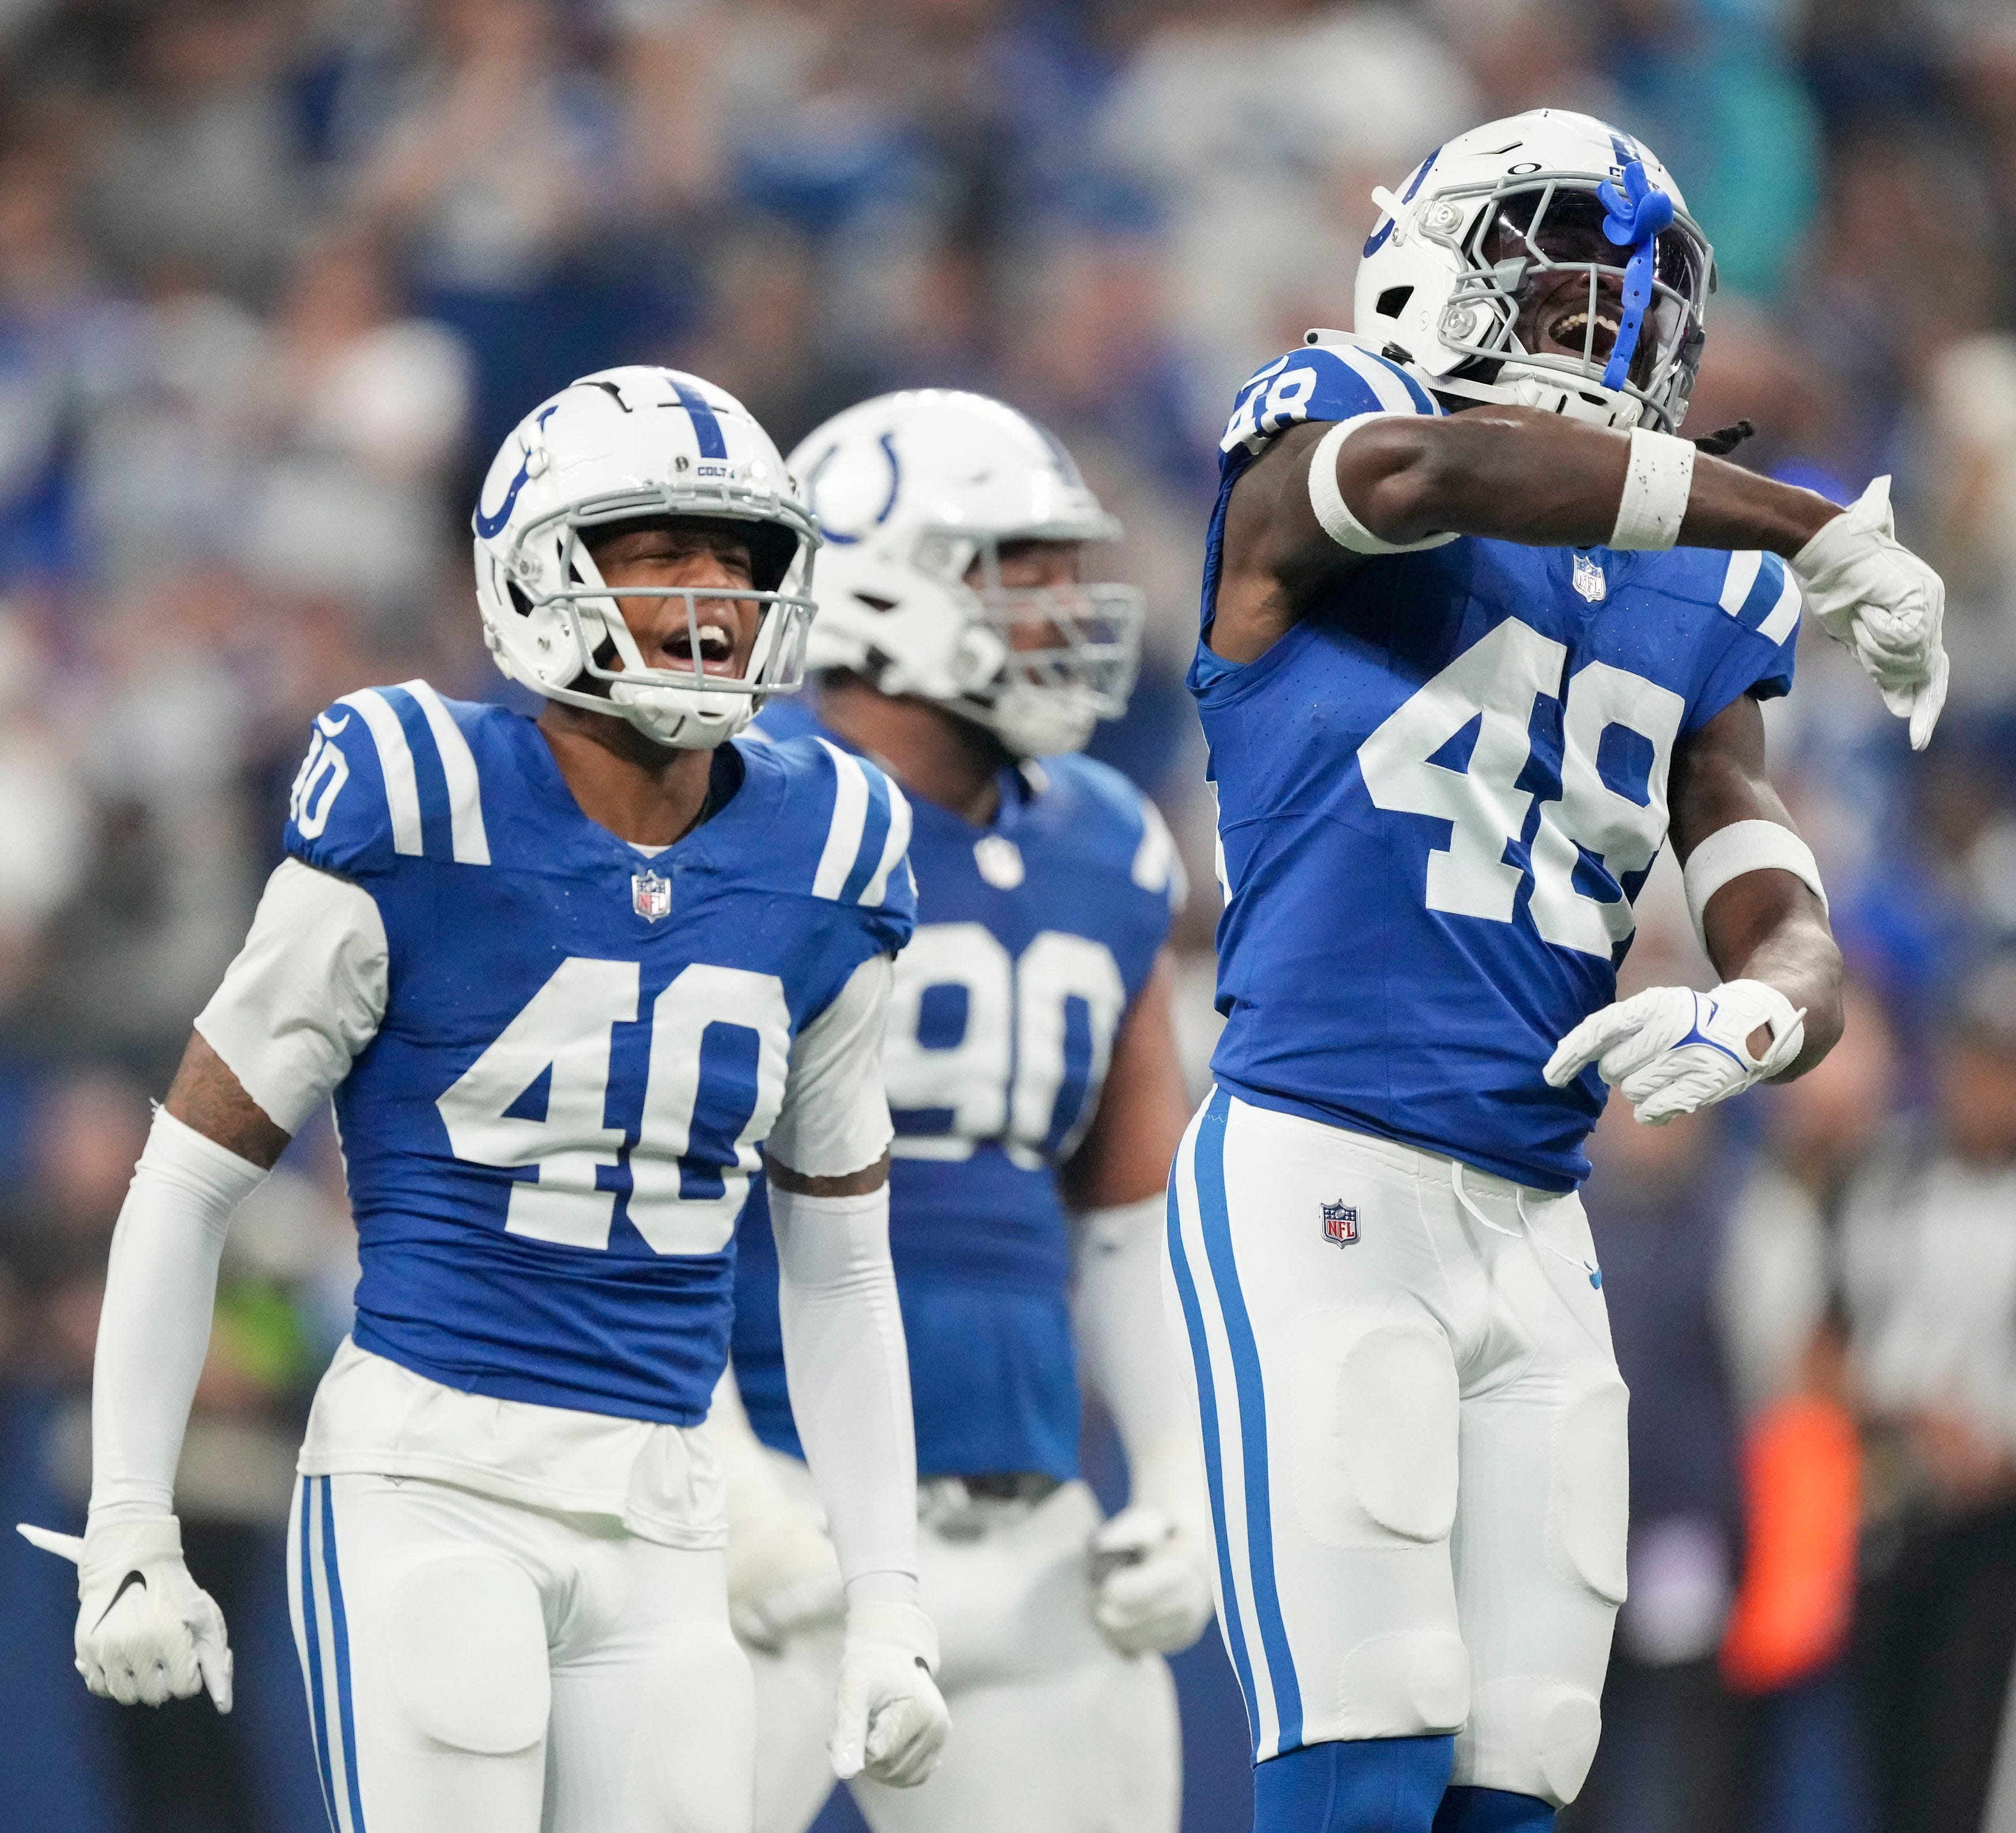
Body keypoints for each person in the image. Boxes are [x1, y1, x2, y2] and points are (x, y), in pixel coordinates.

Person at [17, 365, 951, 1833]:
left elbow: (839, 1259)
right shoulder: (416, 795)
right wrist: (134, 1511)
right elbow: (192, 1171)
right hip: (429, 1473)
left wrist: (888, 1596)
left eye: (741, 555)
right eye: (661, 550)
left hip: (665, 1494)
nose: (714, 592)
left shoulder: (829, 843)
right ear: (539, 571)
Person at [1175, 107, 1947, 1833]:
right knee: (1364, 1755)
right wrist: (1809, 518)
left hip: (1538, 1217)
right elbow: (1439, 480)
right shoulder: (1332, 422)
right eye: (1559, 271)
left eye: (1632, 299)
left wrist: (1761, 1015)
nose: (1596, 328)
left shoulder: (1701, 589)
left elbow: (1769, 884)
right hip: (1327, 1159)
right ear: (1428, 267)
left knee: (1523, 1771)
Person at [717, 389, 1214, 1833]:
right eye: (1018, 565)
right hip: (772, 1505)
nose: (1067, 603)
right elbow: (636, 1193)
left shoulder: (1108, 842)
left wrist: (1175, 1478)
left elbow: (1132, 1219)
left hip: (1029, 1518)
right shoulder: (744, 822)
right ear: (870, 582)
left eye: (1065, 563)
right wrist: (731, 1483)